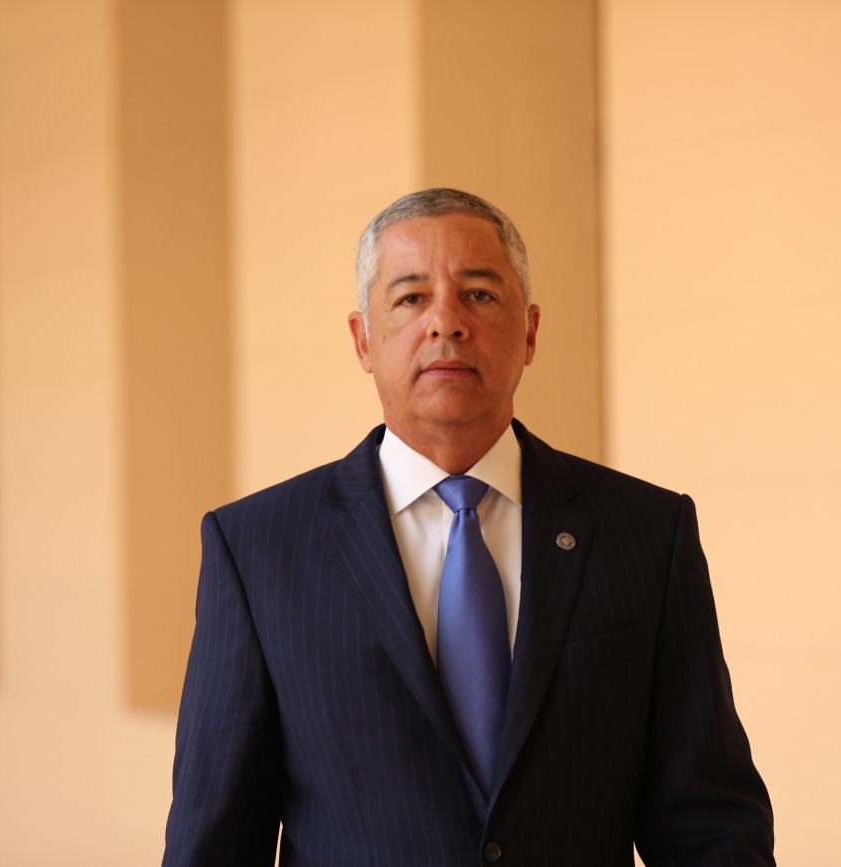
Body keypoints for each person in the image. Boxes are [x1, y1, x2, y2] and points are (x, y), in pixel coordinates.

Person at [162, 188, 774, 866]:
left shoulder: (648, 534)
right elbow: (214, 842)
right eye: (411, 298)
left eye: (479, 295)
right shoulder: (255, 550)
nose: (446, 323)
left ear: (531, 332)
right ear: (363, 340)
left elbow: (711, 829)